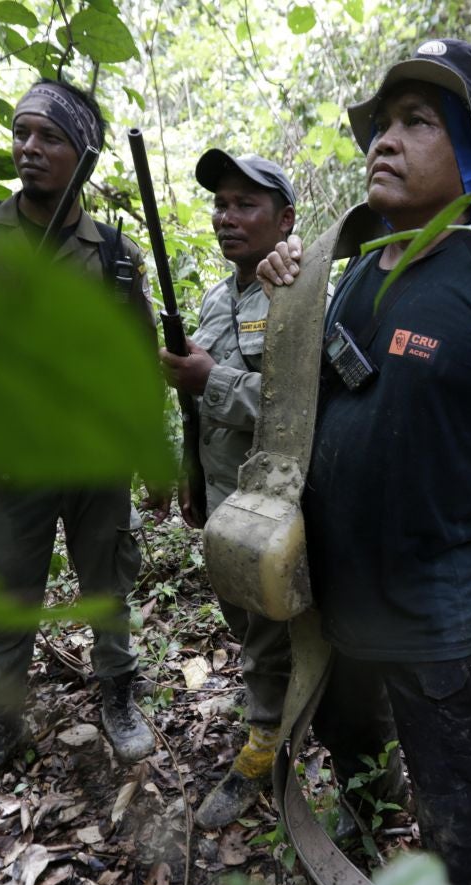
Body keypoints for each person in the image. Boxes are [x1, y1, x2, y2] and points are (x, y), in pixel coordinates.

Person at [258, 39, 471, 885]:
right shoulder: (352, 276)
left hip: (435, 627)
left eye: (416, 123)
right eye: (380, 127)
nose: (383, 143)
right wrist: (283, 297)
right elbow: (304, 418)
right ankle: (371, 839)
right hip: (329, 609)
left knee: (460, 817)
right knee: (354, 753)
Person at [0, 79, 166, 805]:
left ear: (84, 153)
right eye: (22, 132)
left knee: (107, 588)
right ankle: (2, 726)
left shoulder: (116, 256)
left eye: (50, 137)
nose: (29, 148)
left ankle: (117, 697)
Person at [158, 150, 297, 828]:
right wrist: (190, 474)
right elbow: (198, 403)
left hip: (276, 503)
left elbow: (300, 407)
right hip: (223, 498)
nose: (226, 217)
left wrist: (208, 378)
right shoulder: (218, 296)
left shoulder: (300, 294)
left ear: (285, 219)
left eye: (246, 205)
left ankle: (269, 742)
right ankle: (275, 718)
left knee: (272, 625)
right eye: (221, 204)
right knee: (245, 618)